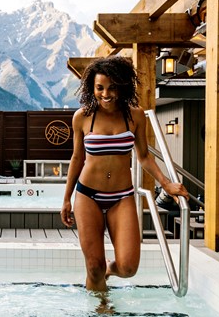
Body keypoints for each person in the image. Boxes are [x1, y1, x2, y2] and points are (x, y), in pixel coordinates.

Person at [60, 56, 188, 293]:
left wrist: (166, 184)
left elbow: (144, 157)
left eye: (112, 88)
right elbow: (77, 159)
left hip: (122, 197)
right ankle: (100, 309)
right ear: (92, 88)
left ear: (122, 86)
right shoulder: (83, 117)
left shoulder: (135, 115)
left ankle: (108, 271)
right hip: (88, 196)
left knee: (128, 268)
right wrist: (67, 198)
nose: (106, 94)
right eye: (100, 88)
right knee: (93, 266)